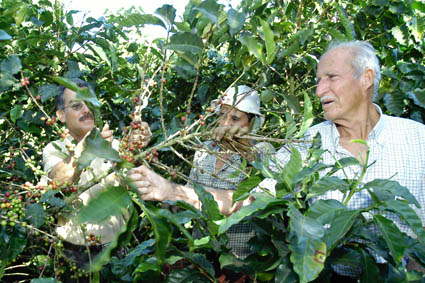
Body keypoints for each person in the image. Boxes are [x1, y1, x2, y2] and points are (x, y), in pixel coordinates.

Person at [264, 40, 425, 278]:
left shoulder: (418, 139)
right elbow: (259, 192)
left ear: (366, 78)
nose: (319, 91)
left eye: (331, 77)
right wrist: (197, 197)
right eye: (319, 81)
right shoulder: (310, 142)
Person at [129, 85, 274, 259]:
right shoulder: (205, 149)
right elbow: (189, 194)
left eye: (235, 119)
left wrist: (245, 150)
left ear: (251, 123)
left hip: (242, 256)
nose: (225, 124)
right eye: (222, 115)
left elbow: (269, 188)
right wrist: (165, 197)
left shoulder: (263, 150)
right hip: (203, 252)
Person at [42, 78, 151, 268]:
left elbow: (147, 188)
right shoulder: (54, 149)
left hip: (116, 250)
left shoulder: (115, 146)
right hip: (74, 254)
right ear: (60, 115)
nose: (86, 110)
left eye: (90, 104)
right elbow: (58, 181)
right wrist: (87, 148)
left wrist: (135, 152)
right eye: (76, 106)